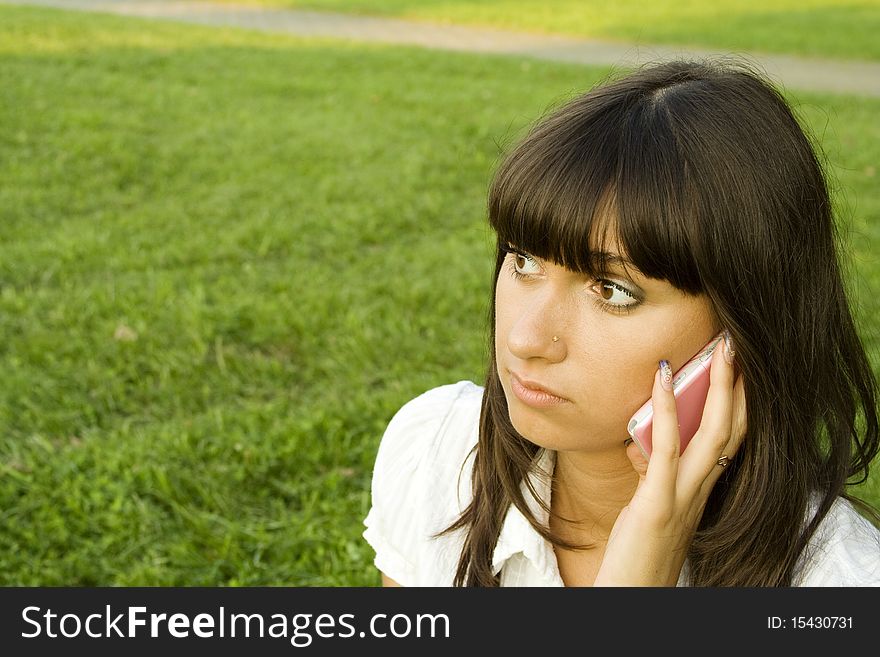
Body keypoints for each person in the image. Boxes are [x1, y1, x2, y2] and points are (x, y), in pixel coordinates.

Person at [362, 58, 880, 586]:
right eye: (523, 261)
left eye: (612, 290)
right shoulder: (438, 452)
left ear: (741, 330)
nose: (525, 339)